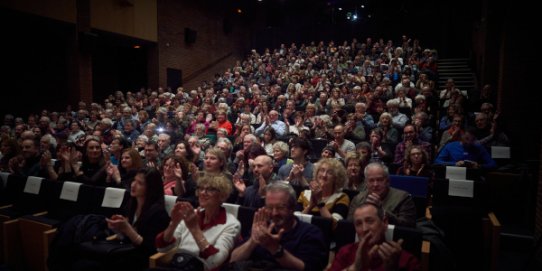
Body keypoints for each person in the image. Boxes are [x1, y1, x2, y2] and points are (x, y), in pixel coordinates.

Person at [73, 168, 170, 270]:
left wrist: (127, 229)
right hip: (126, 250)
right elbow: (125, 238)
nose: (133, 185)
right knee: (81, 258)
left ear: (151, 188)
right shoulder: (132, 204)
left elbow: (150, 249)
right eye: (134, 180)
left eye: (140, 183)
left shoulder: (158, 213)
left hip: (142, 258)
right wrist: (117, 228)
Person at [229, 181, 328, 271]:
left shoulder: (310, 233)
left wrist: (275, 249)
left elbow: (309, 268)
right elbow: (233, 259)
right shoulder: (262, 228)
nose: (274, 213)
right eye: (269, 207)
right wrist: (252, 241)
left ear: (292, 208)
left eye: (280, 207)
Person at [155, 174, 241, 271]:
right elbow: (162, 248)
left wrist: (194, 229)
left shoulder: (231, 224)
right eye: (201, 189)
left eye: (210, 189)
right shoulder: (192, 214)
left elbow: (214, 261)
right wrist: (173, 223)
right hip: (179, 264)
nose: (203, 193)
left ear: (222, 196)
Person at [329, 203, 421, 271]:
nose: (364, 229)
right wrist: (355, 268)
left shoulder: (406, 260)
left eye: (370, 221)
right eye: (358, 224)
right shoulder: (345, 252)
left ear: (384, 223)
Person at [348, 162, 417, 227]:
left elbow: (408, 227)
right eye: (371, 180)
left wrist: (382, 211)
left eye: (380, 180)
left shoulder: (403, 198)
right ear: (366, 183)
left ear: (387, 181)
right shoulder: (357, 199)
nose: (375, 184)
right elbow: (349, 225)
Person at [298, 158, 350, 224]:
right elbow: (294, 221)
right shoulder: (304, 194)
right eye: (322, 170)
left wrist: (320, 202)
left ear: (336, 178)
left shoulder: (342, 198)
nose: (324, 175)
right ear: (316, 174)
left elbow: (335, 225)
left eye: (330, 172)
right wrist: (310, 207)